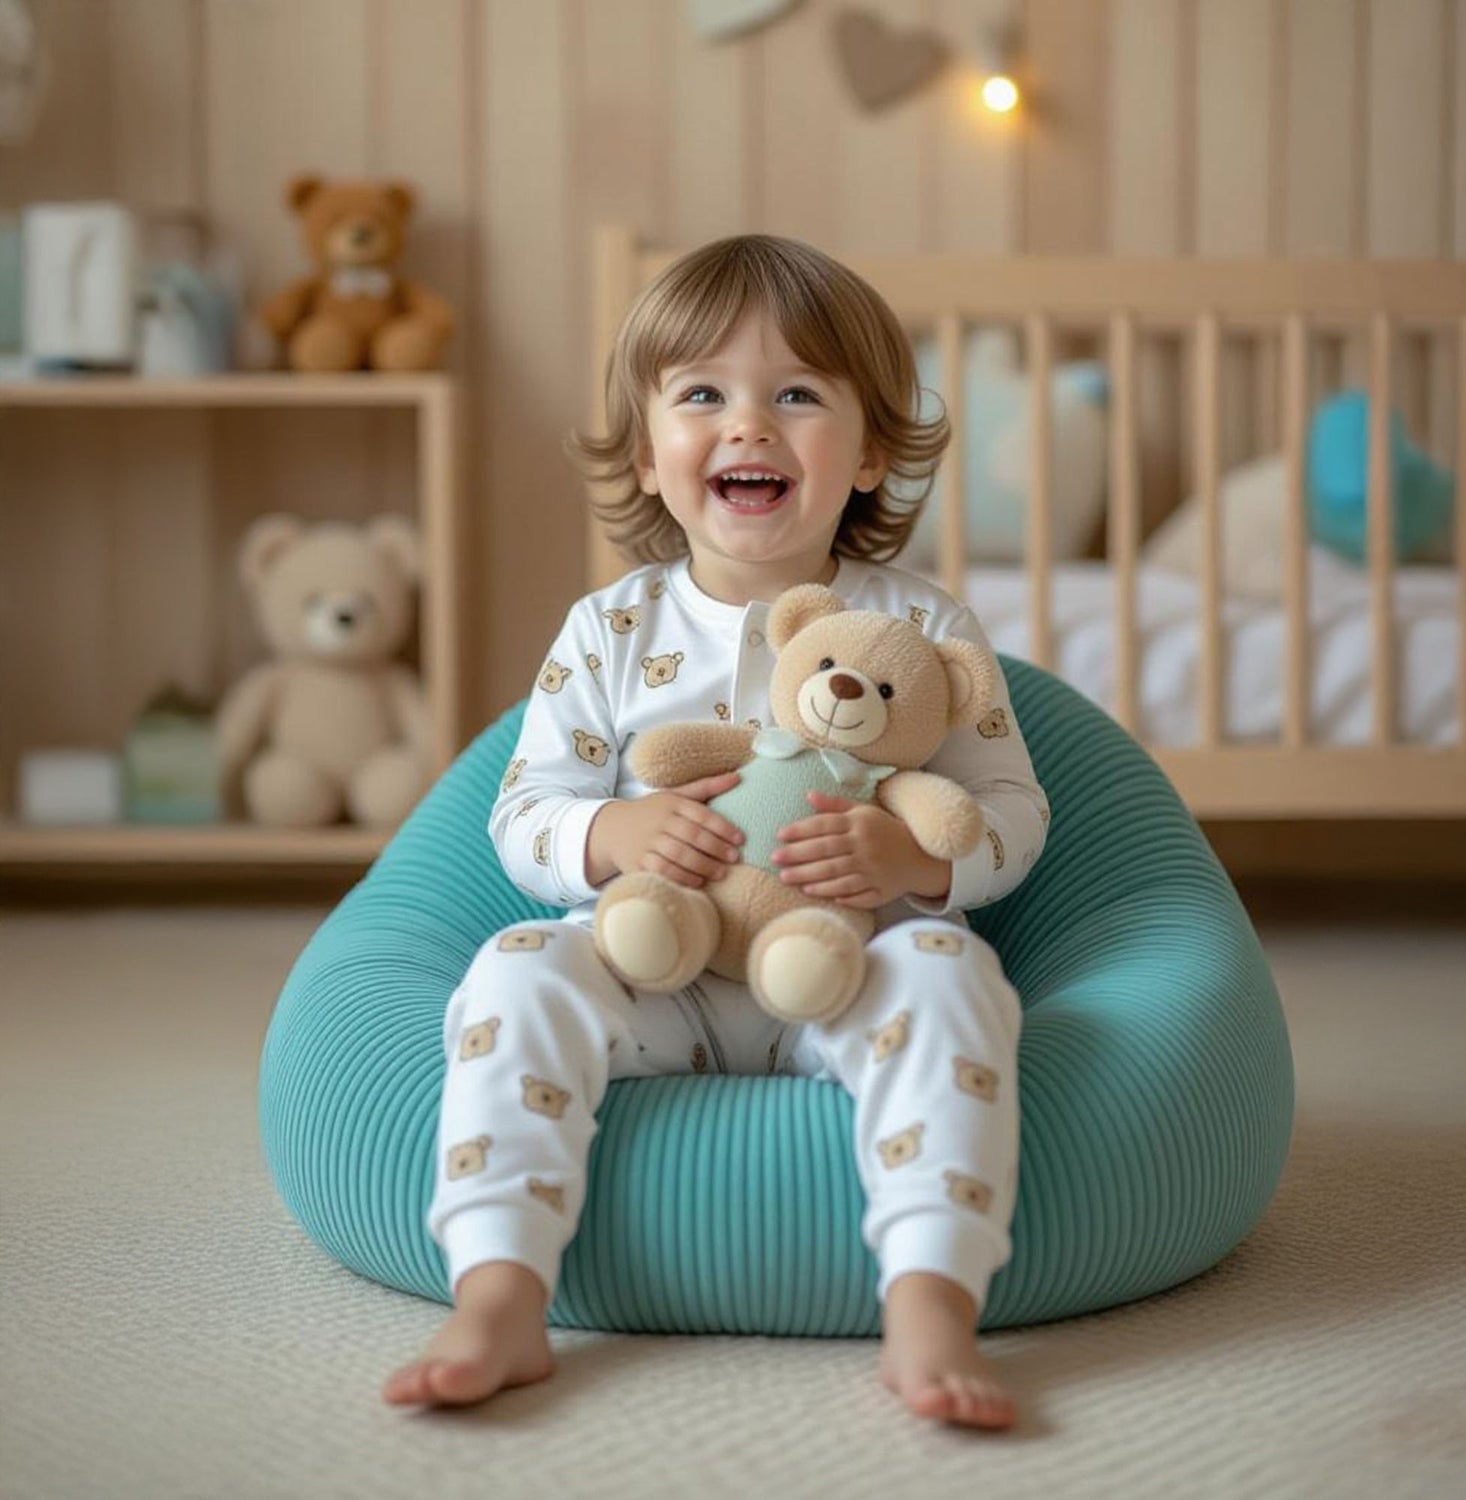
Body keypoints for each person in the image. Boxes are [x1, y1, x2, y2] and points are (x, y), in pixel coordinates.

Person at [383, 234, 1050, 1430]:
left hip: (847, 971)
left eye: (797, 395)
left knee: (955, 978)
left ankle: (932, 1302)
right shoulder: (608, 629)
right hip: (660, 975)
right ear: (649, 453)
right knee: (518, 969)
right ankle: (497, 1292)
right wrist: (615, 832)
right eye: (703, 396)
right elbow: (522, 812)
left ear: (872, 455)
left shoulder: (921, 624)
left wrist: (915, 861)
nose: (749, 426)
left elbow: (1011, 810)